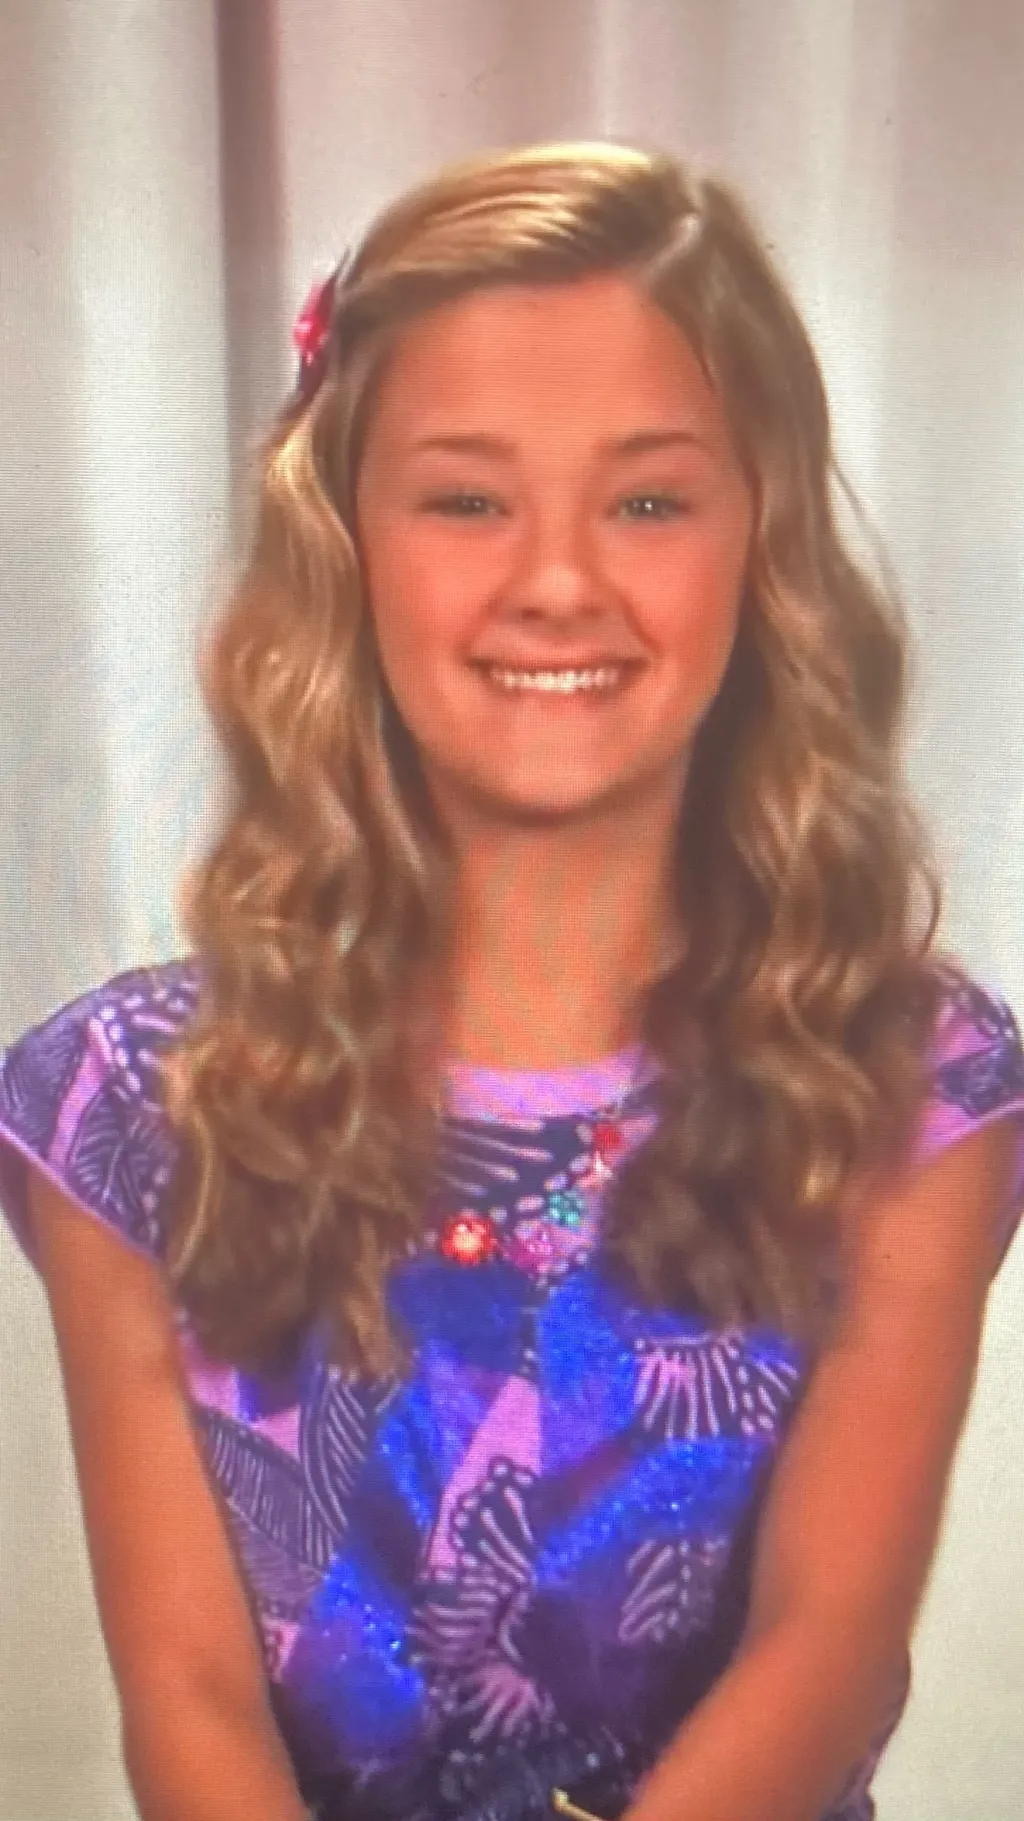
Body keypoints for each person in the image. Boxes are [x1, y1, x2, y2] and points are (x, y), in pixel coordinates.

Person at [1, 139, 1022, 1821]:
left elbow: (829, 1647)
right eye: (468, 499)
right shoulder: (131, 1110)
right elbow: (187, 1699)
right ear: (345, 546)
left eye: (648, 501)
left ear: (762, 545)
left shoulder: (907, 1091)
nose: (557, 580)